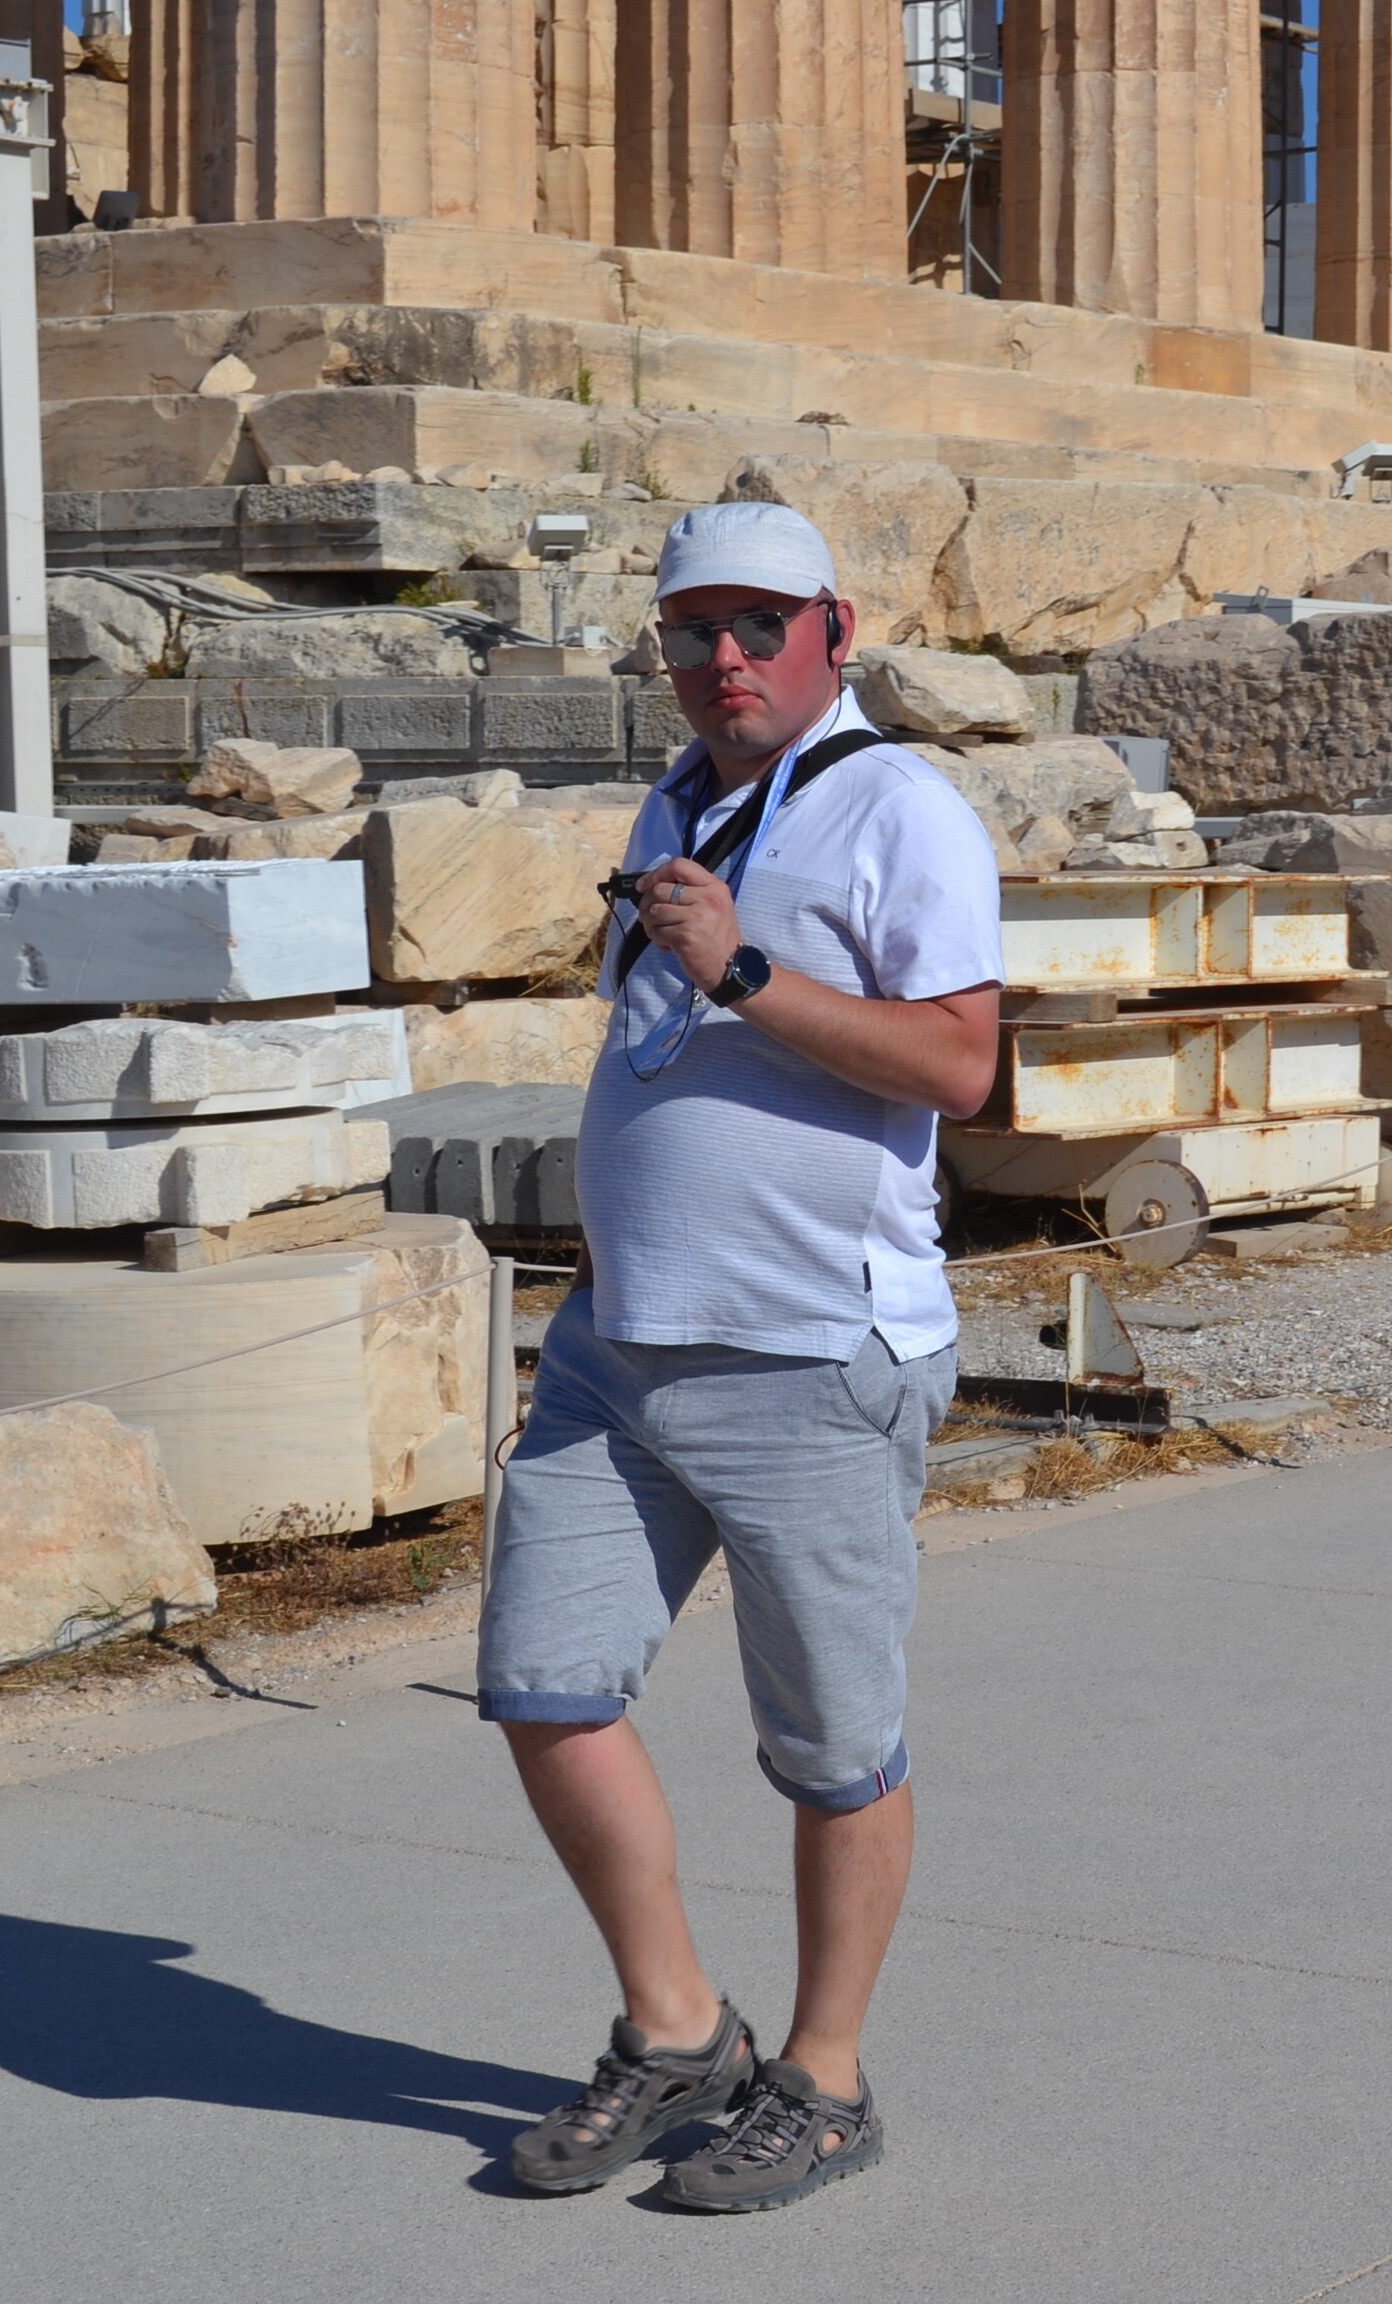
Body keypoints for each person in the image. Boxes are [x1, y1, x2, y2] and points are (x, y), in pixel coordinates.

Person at [480, 500, 1006, 2211]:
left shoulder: (901, 805)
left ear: (832, 631)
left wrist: (746, 966)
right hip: (615, 1345)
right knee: (544, 1689)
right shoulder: (680, 795)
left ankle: (827, 2080)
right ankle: (678, 2028)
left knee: (833, 1748)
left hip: (810, 1354)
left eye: (758, 625)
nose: (724, 657)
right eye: (692, 629)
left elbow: (960, 1066)